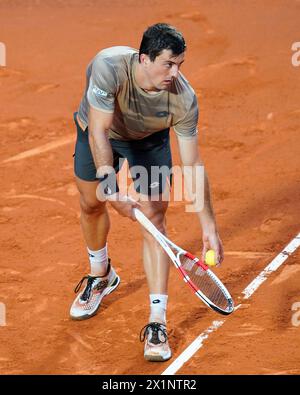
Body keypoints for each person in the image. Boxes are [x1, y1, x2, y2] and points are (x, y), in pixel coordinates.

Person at [70, 23, 224, 362]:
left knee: (153, 219)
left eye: (180, 64)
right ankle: (101, 274)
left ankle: (157, 319)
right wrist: (111, 188)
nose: (175, 72)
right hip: (100, 133)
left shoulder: (183, 99)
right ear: (144, 59)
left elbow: (193, 165)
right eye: (168, 64)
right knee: (91, 202)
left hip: (149, 143)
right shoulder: (107, 67)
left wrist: (209, 225)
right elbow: (99, 130)